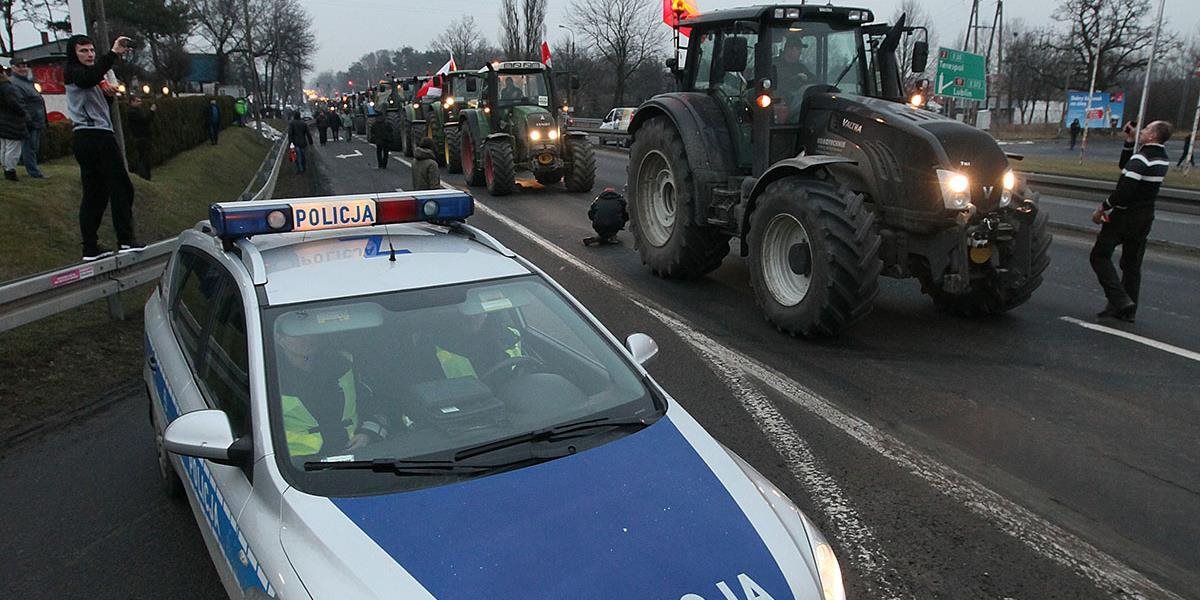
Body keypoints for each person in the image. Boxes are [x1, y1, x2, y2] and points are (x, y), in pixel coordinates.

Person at [65, 34, 142, 261]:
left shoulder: (94, 76)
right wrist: (113, 53)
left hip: (93, 135)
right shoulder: (75, 72)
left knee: (96, 193)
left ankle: (90, 247)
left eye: (91, 51)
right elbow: (87, 78)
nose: (89, 55)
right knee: (121, 186)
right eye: (83, 51)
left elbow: (98, 98)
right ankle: (126, 239)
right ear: (74, 53)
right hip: (94, 136)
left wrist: (109, 94)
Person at [1089, 120, 1172, 323]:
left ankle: (1119, 300)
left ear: (1153, 136)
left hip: (1124, 217)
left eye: (1146, 129)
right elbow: (1126, 166)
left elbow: (1125, 190)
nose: (1141, 131)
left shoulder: (1142, 159)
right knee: (1132, 264)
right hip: (1145, 217)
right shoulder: (1161, 158)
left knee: (1099, 256)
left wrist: (1103, 207)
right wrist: (1129, 141)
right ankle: (1128, 310)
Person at [274, 327, 391, 457]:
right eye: (298, 335)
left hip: (357, 453)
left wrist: (368, 433)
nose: (308, 338)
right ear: (279, 339)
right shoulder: (268, 377)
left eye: (310, 332)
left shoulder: (343, 364)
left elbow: (375, 403)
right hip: (294, 467)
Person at [9, 58, 47, 179]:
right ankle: (34, 172)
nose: (23, 68)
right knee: (29, 147)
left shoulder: (28, 82)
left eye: (25, 66)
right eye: (20, 66)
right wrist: (27, 119)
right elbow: (19, 103)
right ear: (13, 68)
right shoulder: (14, 83)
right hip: (29, 120)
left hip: (36, 119)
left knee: (33, 146)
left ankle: (33, 169)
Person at [0, 65, 28, 182]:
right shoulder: (7, 87)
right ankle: (10, 171)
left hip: (2, 121)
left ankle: (6, 168)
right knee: (13, 148)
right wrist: (24, 113)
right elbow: (15, 104)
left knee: (4, 147)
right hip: (12, 122)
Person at [126, 95, 156, 180]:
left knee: (145, 157)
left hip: (143, 137)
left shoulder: (137, 111)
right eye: (137, 101)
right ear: (132, 102)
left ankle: (146, 175)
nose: (140, 103)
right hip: (141, 138)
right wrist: (151, 111)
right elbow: (145, 121)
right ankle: (144, 176)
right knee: (143, 158)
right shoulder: (133, 112)